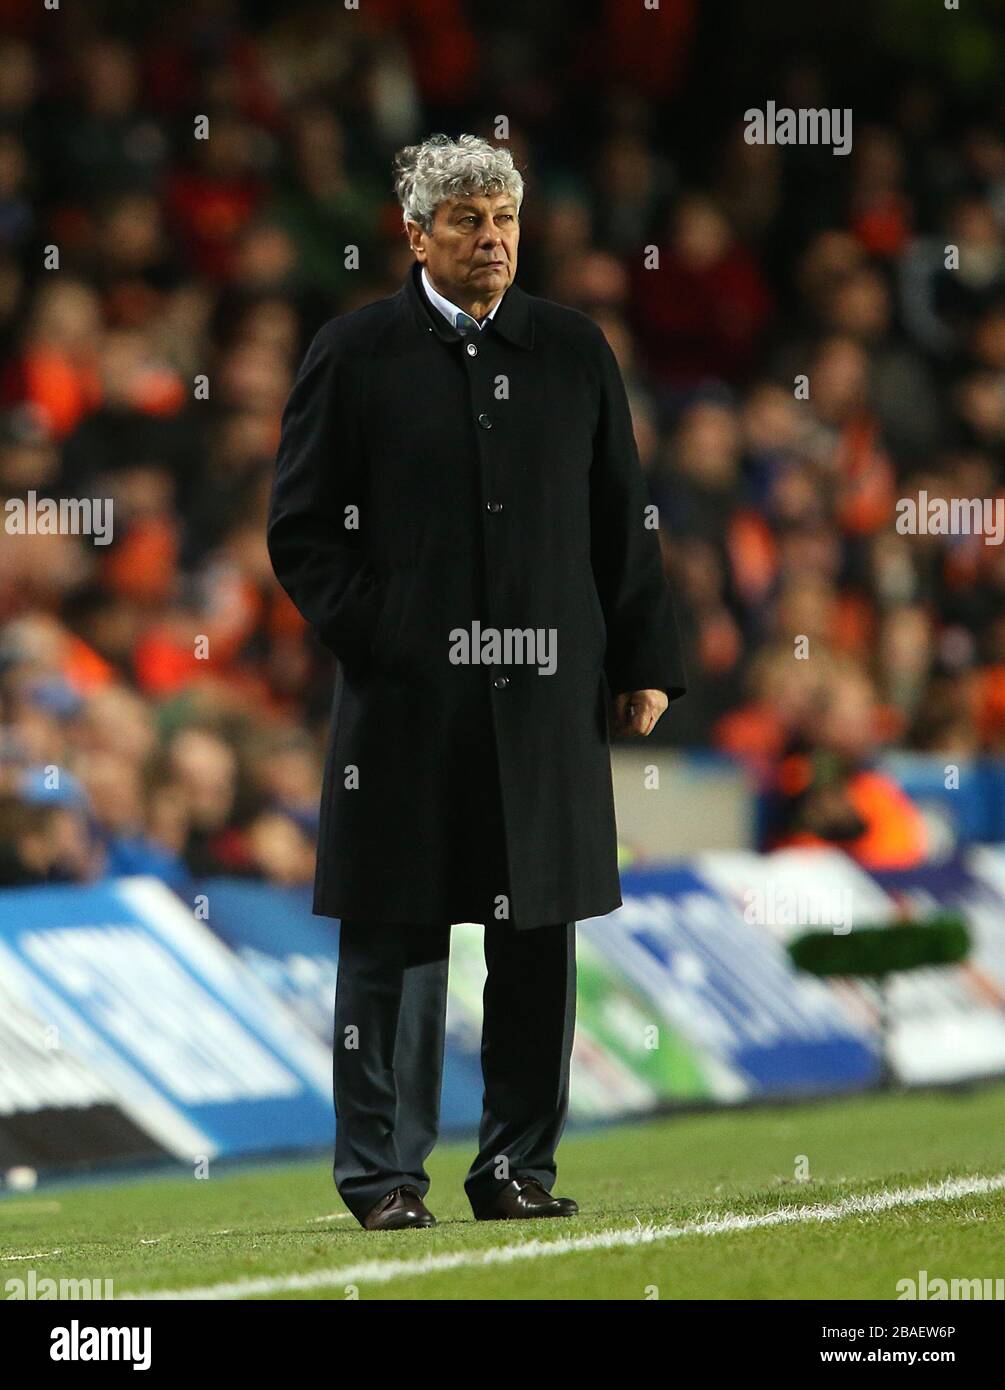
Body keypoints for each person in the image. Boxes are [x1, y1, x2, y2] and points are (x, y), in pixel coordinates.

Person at [268, 133, 686, 1231]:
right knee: (394, 939)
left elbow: (621, 516)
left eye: (504, 219)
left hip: (545, 700)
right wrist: (387, 634)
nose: (493, 238)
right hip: (408, 704)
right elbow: (302, 532)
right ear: (416, 233)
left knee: (537, 935)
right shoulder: (353, 354)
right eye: (467, 221)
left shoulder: (573, 348)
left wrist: (645, 658)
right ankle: (385, 1177)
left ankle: (514, 1169)